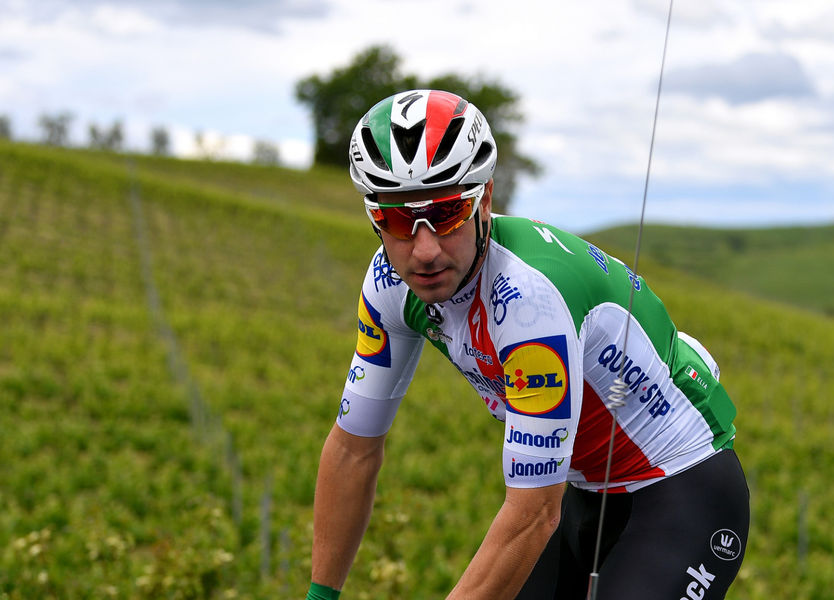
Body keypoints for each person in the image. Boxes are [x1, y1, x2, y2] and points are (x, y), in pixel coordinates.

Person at [308, 90, 749, 600]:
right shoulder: (388, 284)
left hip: (683, 490)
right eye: (398, 221)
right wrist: (321, 596)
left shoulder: (527, 302)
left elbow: (533, 511)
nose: (424, 251)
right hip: (586, 492)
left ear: (485, 201)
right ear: (373, 218)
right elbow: (352, 449)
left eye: (447, 214)